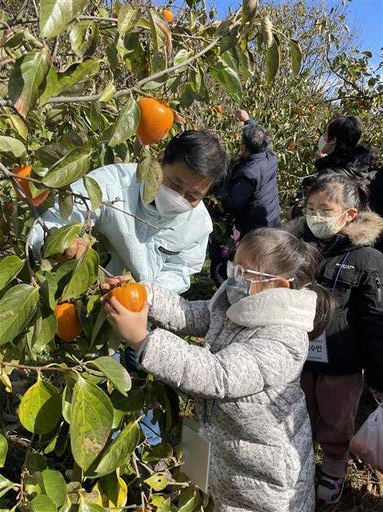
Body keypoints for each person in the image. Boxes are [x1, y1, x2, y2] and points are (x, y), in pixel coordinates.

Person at [102, 228, 335, 512]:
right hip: (229, 451)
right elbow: (191, 314)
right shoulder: (240, 305)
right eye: (234, 267)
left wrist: (143, 340)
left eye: (245, 272)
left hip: (265, 473)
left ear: (280, 287)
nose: (234, 278)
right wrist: (143, 295)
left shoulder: (285, 339)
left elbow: (219, 375)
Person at [285, 173, 383, 504]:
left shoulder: (367, 259)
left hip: (342, 361)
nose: (315, 216)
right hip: (298, 354)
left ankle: (334, 464)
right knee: (301, 411)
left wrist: (378, 372)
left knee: (337, 418)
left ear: (349, 215)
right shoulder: (295, 248)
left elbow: (373, 319)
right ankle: (300, 458)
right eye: (311, 208)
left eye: (325, 209)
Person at [30, 130, 228, 294]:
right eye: (175, 184)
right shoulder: (112, 185)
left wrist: (146, 293)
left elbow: (180, 270)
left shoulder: (198, 225)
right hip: (80, 294)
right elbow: (55, 217)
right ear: (159, 160)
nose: (179, 198)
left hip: (135, 309)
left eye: (193, 196)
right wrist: (60, 239)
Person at [208, 109, 280, 286]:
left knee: (246, 268)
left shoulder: (248, 173)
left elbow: (234, 205)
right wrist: (248, 121)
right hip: (272, 221)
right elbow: (259, 137)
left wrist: (215, 185)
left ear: (245, 148)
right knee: (263, 266)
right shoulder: (270, 157)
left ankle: (232, 298)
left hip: (255, 229)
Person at [290, 115, 380, 218]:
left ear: (332, 140)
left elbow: (318, 211)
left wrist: (294, 212)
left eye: (324, 134)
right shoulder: (367, 167)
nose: (322, 138)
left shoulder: (328, 175)